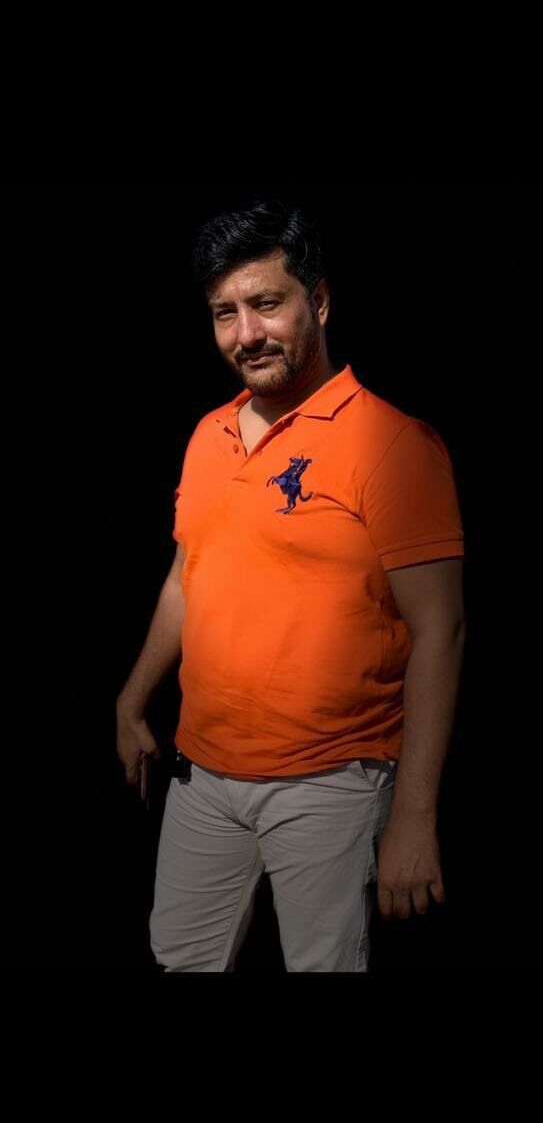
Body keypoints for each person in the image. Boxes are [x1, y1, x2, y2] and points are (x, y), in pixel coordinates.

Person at [116, 199, 466, 972]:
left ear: (320, 300)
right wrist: (133, 699)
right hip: (202, 775)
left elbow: (439, 631)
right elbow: (186, 576)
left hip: (330, 782)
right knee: (179, 960)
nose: (246, 334)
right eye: (225, 313)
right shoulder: (207, 435)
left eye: (266, 304)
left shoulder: (391, 444)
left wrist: (414, 816)